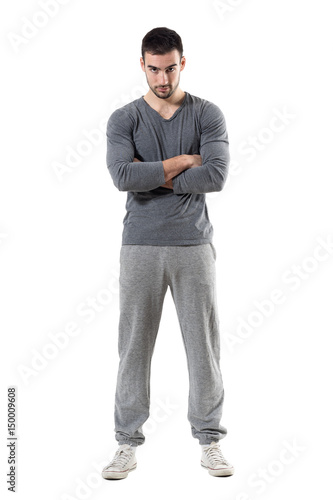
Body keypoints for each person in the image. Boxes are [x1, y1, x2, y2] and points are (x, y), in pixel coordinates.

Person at [102, 27, 234, 479]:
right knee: (133, 347)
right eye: (154, 69)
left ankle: (210, 439)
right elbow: (122, 177)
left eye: (171, 68)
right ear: (142, 65)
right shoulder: (124, 119)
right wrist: (183, 161)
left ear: (183, 63)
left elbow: (215, 176)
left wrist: (150, 173)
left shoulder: (207, 114)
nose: (163, 78)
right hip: (139, 244)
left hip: (193, 244)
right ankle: (126, 443)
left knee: (203, 346)